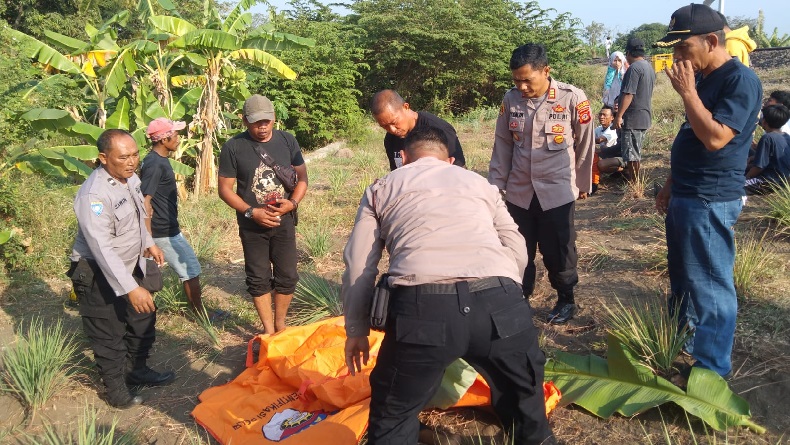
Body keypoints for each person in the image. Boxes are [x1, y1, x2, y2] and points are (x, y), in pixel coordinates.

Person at [342, 126, 556, 445]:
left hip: (422, 311)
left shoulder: (382, 187)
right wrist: (506, 294)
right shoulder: (478, 183)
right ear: (451, 160)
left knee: (392, 414)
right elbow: (516, 245)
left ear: (403, 158)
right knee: (526, 404)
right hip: (500, 303)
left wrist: (356, 329)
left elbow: (358, 265)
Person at [654, 3, 763, 381]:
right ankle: (681, 342)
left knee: (711, 284)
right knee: (684, 277)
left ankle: (711, 370)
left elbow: (716, 138)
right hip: (688, 192)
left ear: (711, 40)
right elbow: (691, 136)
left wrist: (687, 94)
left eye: (682, 49)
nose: (677, 58)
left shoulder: (740, 81)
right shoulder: (704, 80)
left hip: (710, 198)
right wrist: (671, 184)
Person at [69, 129, 176, 408]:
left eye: (135, 155)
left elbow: (139, 216)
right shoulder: (94, 194)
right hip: (96, 270)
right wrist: (130, 288)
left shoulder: (130, 179)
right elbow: (101, 248)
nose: (131, 162)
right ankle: (116, 392)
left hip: (132, 260)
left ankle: (137, 369)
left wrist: (149, 242)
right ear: (104, 158)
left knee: (143, 319)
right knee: (109, 332)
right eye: (123, 157)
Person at [488, 43, 594, 325]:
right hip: (520, 191)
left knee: (559, 248)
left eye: (527, 80)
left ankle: (565, 298)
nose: (522, 87)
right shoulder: (510, 101)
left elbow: (585, 142)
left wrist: (582, 182)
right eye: (516, 81)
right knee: (517, 247)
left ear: (545, 71)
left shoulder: (572, 98)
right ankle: (520, 297)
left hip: (556, 192)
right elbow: (502, 145)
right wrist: (495, 186)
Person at [218, 95, 308, 335]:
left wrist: (292, 203)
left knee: (287, 276)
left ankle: (280, 324)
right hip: (252, 226)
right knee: (258, 279)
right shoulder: (233, 147)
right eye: (256, 122)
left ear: (274, 118)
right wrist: (251, 212)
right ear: (245, 121)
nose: (262, 127)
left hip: (284, 221)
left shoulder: (288, 141)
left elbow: (302, 179)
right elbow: (224, 189)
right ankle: (268, 330)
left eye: (267, 121)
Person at [140, 118, 207, 317]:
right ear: (163, 140)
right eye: (175, 135)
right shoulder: (155, 165)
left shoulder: (157, 161)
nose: (178, 139)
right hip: (163, 230)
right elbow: (145, 201)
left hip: (166, 227)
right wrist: (148, 238)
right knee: (191, 269)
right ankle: (200, 314)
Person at [370, 89, 466, 170]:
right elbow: (396, 174)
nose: (392, 130)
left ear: (406, 107)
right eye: (384, 126)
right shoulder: (390, 139)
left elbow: (460, 171)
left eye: (394, 122)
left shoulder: (439, 129)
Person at [614, 37, 655, 182]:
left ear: (629, 53)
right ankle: (634, 182)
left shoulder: (634, 68)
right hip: (643, 116)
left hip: (633, 118)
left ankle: (635, 184)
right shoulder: (648, 67)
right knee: (634, 153)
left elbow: (628, 94)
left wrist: (619, 116)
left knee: (632, 155)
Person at [745, 104, 790, 194]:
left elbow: (759, 167)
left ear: (764, 121)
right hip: (783, 180)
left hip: (768, 181)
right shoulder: (786, 136)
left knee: (734, 185)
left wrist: (747, 177)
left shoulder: (767, 138)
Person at [593, 106, 620, 192]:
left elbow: (599, 140)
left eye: (604, 115)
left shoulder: (612, 130)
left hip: (613, 155)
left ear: (612, 117)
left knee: (599, 163)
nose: (601, 117)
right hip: (604, 154)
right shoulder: (599, 129)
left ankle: (622, 170)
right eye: (600, 114)